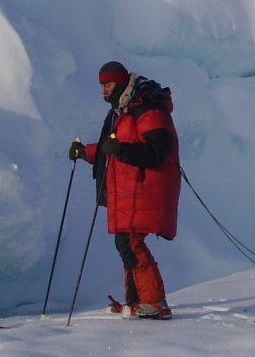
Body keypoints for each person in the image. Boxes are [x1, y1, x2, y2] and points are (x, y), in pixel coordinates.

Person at [69, 61, 181, 319]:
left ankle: (154, 302)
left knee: (130, 242)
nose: (104, 91)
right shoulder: (125, 110)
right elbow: (115, 147)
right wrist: (85, 152)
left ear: (120, 84)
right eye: (102, 86)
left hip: (145, 188)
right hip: (129, 190)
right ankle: (136, 301)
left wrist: (120, 150)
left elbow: (157, 151)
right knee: (126, 242)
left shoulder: (147, 109)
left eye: (108, 85)